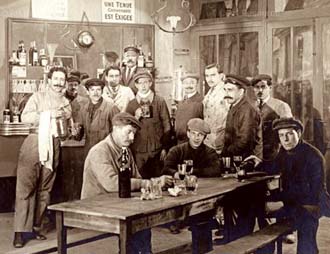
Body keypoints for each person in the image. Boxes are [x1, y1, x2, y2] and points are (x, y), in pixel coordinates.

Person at [81, 112, 173, 254]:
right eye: (129, 132)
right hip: (96, 205)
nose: (132, 138)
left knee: (144, 219)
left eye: (134, 134)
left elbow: (137, 177)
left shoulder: (126, 151)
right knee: (137, 222)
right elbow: (112, 184)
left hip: (116, 201)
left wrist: (152, 185)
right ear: (116, 128)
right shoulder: (99, 151)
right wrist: (150, 183)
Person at [247, 117, 330, 254]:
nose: (285, 139)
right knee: (253, 210)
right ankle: (263, 249)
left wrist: (281, 201)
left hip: (310, 205)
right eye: (281, 135)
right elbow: (274, 166)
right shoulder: (285, 152)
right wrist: (259, 163)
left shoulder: (313, 156)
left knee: (306, 236)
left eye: (289, 134)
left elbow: (311, 192)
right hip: (292, 202)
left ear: (299, 133)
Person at [13, 66, 72, 248]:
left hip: (54, 145)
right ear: (49, 80)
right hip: (34, 142)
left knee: (45, 189)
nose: (58, 83)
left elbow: (67, 129)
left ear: (65, 82)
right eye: (55, 79)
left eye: (62, 79)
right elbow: (25, 117)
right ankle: (20, 231)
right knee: (26, 188)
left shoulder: (66, 103)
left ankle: (36, 226)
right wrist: (49, 115)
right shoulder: (37, 97)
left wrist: (70, 129)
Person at [126, 71, 171, 179]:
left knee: (158, 179)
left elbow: (167, 125)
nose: (143, 85)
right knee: (141, 179)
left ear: (150, 83)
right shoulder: (132, 104)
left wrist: (165, 148)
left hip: (157, 150)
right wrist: (136, 117)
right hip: (138, 150)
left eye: (146, 82)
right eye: (140, 83)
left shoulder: (159, 101)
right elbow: (127, 128)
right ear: (136, 85)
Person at [251, 74, 292, 161]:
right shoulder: (251, 107)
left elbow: (288, 132)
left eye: (263, 87)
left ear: (270, 88)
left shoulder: (280, 106)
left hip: (274, 155)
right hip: (254, 156)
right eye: (257, 87)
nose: (260, 90)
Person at [221, 74, 261, 159]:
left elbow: (244, 141)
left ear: (241, 91)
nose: (226, 93)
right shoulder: (234, 105)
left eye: (230, 90)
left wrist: (226, 155)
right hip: (234, 157)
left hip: (243, 160)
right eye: (225, 90)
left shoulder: (247, 109)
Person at [76, 78, 120, 153]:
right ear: (87, 92)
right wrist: (76, 132)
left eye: (98, 90)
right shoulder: (83, 109)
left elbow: (118, 132)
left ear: (102, 91)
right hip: (89, 150)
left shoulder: (111, 108)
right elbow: (79, 135)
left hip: (106, 150)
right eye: (92, 90)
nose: (95, 93)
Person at [203, 63, 229, 153]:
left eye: (213, 75)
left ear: (221, 76)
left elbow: (230, 118)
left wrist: (221, 138)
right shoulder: (209, 92)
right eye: (207, 76)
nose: (209, 79)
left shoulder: (226, 92)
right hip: (209, 140)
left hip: (221, 141)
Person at [175, 73, 203, 144]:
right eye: (186, 83)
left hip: (194, 143)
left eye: (192, 82)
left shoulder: (201, 101)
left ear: (196, 84)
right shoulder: (181, 103)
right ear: (182, 85)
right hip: (180, 142)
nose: (189, 86)